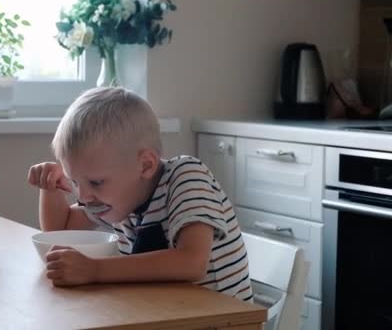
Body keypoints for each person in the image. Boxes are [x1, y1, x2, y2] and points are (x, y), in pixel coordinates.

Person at [27, 87, 252, 301]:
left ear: (145, 165)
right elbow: (60, 233)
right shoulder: (120, 198)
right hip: (163, 314)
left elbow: (192, 262)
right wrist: (51, 189)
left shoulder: (186, 177)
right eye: (75, 181)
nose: (84, 196)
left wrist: (95, 269)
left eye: (95, 182)